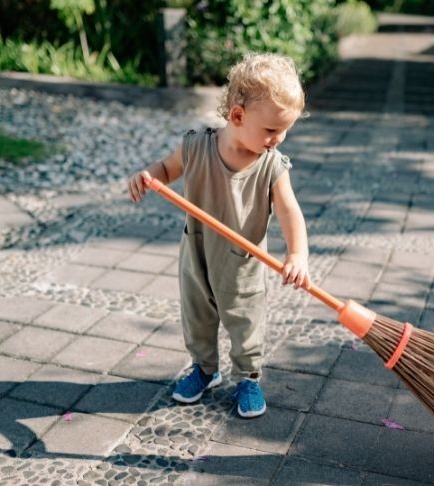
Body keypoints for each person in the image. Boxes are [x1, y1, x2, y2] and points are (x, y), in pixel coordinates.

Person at [127, 53, 310, 418]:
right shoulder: (196, 146)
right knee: (197, 317)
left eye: (284, 129)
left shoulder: (271, 165)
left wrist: (297, 255)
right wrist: (147, 176)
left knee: (245, 322)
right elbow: (166, 168)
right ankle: (204, 369)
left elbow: (290, 211)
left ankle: (248, 377)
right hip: (197, 253)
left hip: (242, 264)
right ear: (238, 116)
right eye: (272, 130)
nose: (278, 138)